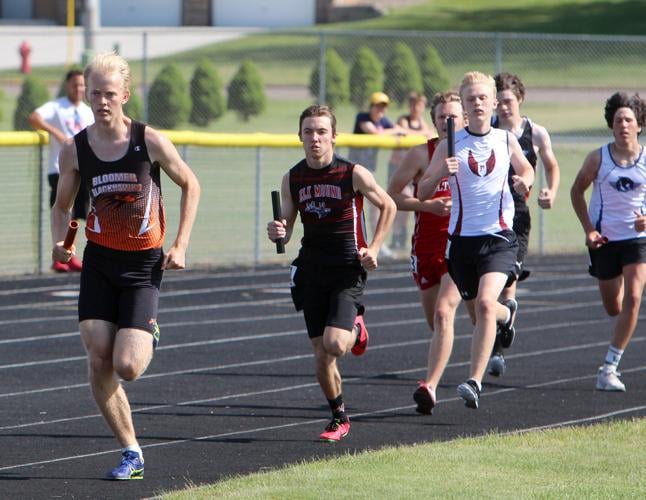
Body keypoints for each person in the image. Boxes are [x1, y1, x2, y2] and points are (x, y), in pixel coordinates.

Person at [51, 52, 200, 479]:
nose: (101, 101)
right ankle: (131, 452)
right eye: (94, 93)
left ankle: (146, 327)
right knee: (99, 359)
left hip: (142, 265)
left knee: (127, 366)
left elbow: (191, 184)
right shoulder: (75, 147)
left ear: (126, 95)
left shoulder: (147, 140)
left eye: (109, 94)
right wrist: (60, 244)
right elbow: (62, 206)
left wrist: (182, 244)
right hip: (99, 261)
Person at [267, 105, 396, 441]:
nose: (315, 138)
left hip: (347, 268)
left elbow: (389, 206)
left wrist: (375, 248)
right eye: (309, 132)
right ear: (300, 136)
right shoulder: (293, 178)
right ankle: (338, 417)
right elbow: (287, 225)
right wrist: (278, 231)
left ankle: (355, 325)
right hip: (312, 269)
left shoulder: (352, 173)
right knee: (321, 353)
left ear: (334, 136)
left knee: (335, 344)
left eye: (322, 132)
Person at [417, 71, 534, 410]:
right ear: (464, 107)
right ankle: (506, 316)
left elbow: (526, 169)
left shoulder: (505, 139)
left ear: (494, 102)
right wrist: (441, 171)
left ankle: (474, 381)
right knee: (477, 309)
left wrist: (523, 183)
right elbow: (423, 190)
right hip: (461, 243)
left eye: (483, 97)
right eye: (471, 99)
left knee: (483, 304)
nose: (478, 103)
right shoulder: (449, 144)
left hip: (499, 237)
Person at [387, 91, 467, 414]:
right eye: (442, 118)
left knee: (447, 313)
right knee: (436, 322)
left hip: (463, 244)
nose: (448, 123)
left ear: (464, 119)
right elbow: (392, 194)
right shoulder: (422, 154)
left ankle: (429, 386)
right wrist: (427, 206)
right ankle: (503, 317)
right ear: (433, 121)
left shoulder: (478, 150)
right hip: (426, 246)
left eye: (454, 117)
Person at [570, 91, 646, 393]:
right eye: (618, 120)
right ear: (611, 125)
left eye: (628, 119)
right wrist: (589, 230)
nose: (623, 125)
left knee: (634, 300)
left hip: (637, 240)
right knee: (614, 307)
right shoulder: (598, 158)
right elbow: (577, 192)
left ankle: (609, 367)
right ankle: (626, 285)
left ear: (639, 124)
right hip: (604, 240)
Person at [488, 72, 561, 377]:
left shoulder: (536, 132)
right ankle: (502, 330)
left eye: (508, 101)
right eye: (498, 102)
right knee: (488, 288)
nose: (503, 107)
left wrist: (550, 191)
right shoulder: (486, 131)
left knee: (507, 278)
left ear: (519, 99)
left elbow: (551, 165)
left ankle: (497, 350)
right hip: (488, 215)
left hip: (517, 217)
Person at [29, 68, 94, 272]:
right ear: (67, 85)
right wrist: (55, 132)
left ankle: (68, 253)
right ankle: (58, 254)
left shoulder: (87, 110)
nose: (78, 88)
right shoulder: (57, 107)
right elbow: (34, 118)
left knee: (77, 214)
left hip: (83, 169)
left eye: (82, 84)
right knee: (62, 208)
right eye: (75, 84)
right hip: (60, 168)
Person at [348, 91, 407, 258]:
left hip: (369, 171)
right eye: (378, 106)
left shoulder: (383, 121)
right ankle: (352, 244)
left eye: (383, 107)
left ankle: (376, 245)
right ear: (371, 106)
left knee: (375, 207)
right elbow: (375, 133)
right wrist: (394, 131)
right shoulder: (363, 117)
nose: (380, 110)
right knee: (351, 208)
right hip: (352, 172)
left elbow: (400, 130)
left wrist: (396, 130)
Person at [387, 92, 435, 250]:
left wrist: (421, 133)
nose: (416, 108)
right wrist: (420, 134)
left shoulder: (422, 122)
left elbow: (428, 134)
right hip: (400, 167)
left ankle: (400, 235)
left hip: (416, 170)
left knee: (412, 200)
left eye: (419, 105)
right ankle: (396, 235)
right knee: (402, 198)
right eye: (413, 104)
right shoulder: (404, 119)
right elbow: (404, 131)